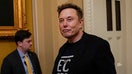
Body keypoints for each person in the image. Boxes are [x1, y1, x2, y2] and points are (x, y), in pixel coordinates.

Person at [52, 3, 116, 74]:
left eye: (69, 19)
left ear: (80, 23)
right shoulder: (63, 49)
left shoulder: (98, 46)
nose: (64, 24)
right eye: (61, 20)